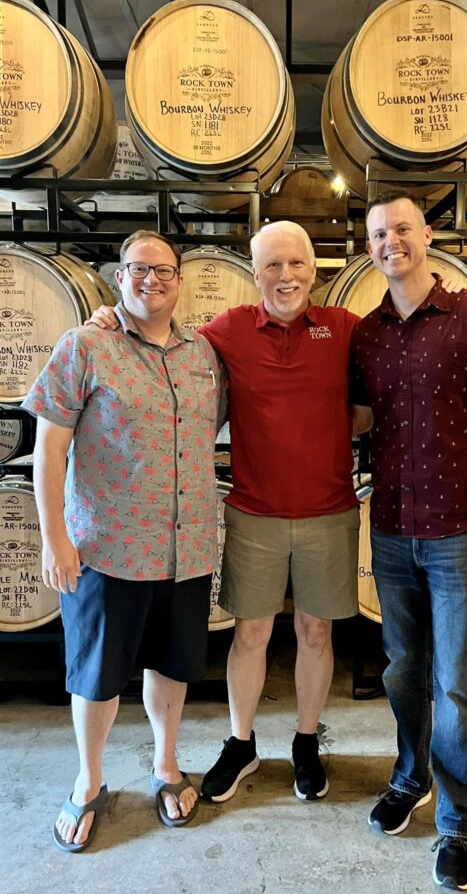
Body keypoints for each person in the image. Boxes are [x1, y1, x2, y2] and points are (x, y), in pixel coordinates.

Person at [90, 221, 370, 804]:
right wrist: (110, 317)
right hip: (254, 511)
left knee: (316, 632)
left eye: (295, 264)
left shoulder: (346, 330)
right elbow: (161, 339)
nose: (285, 276)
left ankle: (305, 742)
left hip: (329, 510)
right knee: (251, 632)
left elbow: (374, 402)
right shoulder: (228, 331)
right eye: (272, 265)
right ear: (255, 271)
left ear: (314, 269)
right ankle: (241, 743)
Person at [22, 229, 224, 851]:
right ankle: (89, 781)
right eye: (138, 269)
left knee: (171, 664)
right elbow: (49, 450)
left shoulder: (202, 353)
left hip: (184, 547)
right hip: (106, 547)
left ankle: (166, 766)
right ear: (119, 277)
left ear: (180, 280)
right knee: (97, 675)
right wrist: (55, 537)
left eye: (163, 271)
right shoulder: (85, 346)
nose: (151, 281)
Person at [350, 189, 467, 891]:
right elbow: (360, 419)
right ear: (367, 248)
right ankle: (410, 777)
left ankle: (457, 823)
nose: (390, 241)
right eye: (376, 234)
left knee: (457, 688)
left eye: (401, 228)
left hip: (461, 530)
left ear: (426, 233)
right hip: (391, 528)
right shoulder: (365, 333)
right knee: (402, 672)